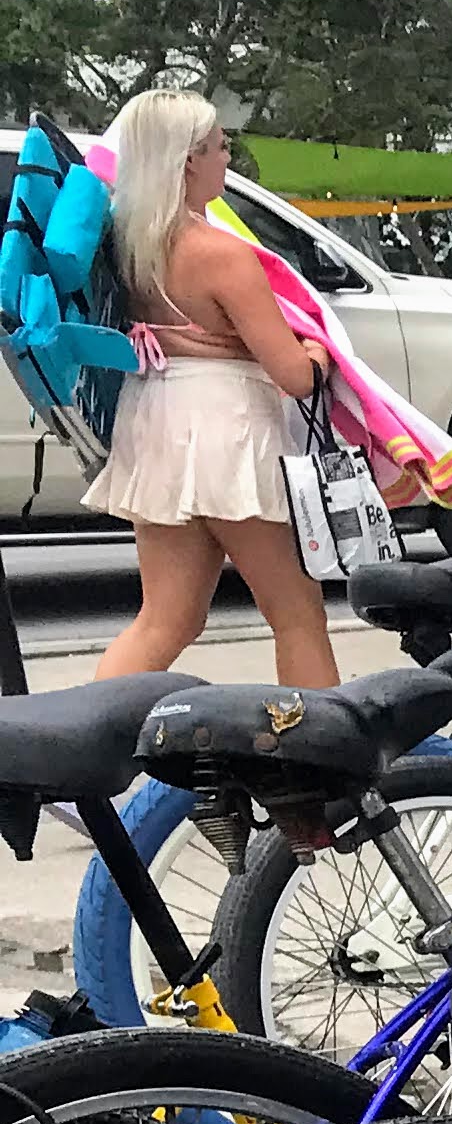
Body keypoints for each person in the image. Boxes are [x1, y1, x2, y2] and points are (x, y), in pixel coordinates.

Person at [87, 87, 334, 687]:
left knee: (164, 620)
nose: (229, 159)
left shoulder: (128, 244)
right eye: (222, 147)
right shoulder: (222, 255)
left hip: (155, 414)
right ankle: (329, 768)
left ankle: (74, 757)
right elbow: (293, 376)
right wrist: (320, 353)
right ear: (189, 159)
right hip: (229, 426)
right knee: (297, 613)